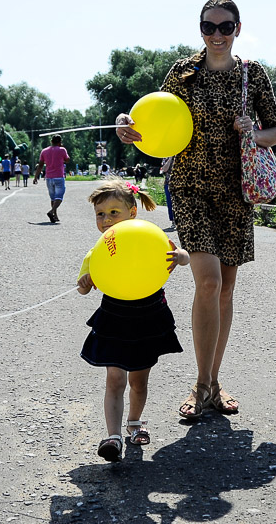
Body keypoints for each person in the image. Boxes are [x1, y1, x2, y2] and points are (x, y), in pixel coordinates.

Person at [116, 0, 276, 419]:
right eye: (209, 27)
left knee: (225, 289)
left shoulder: (252, 74)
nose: (217, 35)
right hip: (189, 186)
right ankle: (200, 384)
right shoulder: (183, 72)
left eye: (225, 27)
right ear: (201, 30)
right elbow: (153, 119)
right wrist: (127, 126)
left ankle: (212, 381)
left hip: (235, 191)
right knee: (208, 282)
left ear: (237, 29)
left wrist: (253, 132)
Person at [76, 178, 189, 461]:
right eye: (100, 214)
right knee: (115, 380)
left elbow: (185, 257)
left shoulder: (149, 238)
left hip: (148, 318)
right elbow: (82, 287)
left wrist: (179, 256)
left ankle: (135, 423)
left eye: (114, 212)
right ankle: (113, 437)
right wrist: (86, 282)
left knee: (139, 381)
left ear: (133, 212)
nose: (106, 220)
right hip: (115, 319)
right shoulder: (98, 252)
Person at [34, 135, 70, 223]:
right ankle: (52, 211)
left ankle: (55, 215)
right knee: (59, 197)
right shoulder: (62, 150)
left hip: (49, 177)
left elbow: (40, 165)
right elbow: (67, 160)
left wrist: (36, 177)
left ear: (51, 141)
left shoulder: (44, 151)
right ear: (60, 142)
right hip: (59, 176)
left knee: (53, 198)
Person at [160, 155, 175, 231]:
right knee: (170, 203)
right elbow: (164, 169)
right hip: (168, 183)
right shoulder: (166, 157)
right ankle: (173, 222)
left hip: (180, 184)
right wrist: (170, 158)